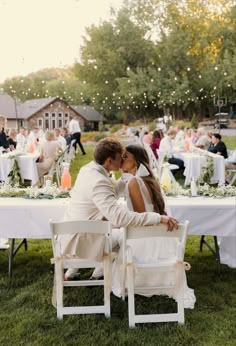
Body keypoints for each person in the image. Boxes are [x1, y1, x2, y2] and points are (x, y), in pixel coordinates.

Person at [60, 138, 178, 280]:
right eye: (120, 158)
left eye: (125, 157)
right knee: (125, 234)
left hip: (73, 229)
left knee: (116, 227)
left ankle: (86, 273)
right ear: (109, 161)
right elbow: (120, 217)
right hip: (81, 238)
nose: (121, 161)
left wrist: (126, 178)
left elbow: (110, 195)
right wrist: (158, 218)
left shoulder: (87, 169)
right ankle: (99, 273)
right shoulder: (99, 181)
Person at [112, 144, 196, 309]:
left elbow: (141, 216)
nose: (122, 159)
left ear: (136, 161)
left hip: (144, 237)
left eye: (125, 157)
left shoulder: (134, 182)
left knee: (111, 236)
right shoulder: (149, 179)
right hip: (161, 236)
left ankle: (100, 273)